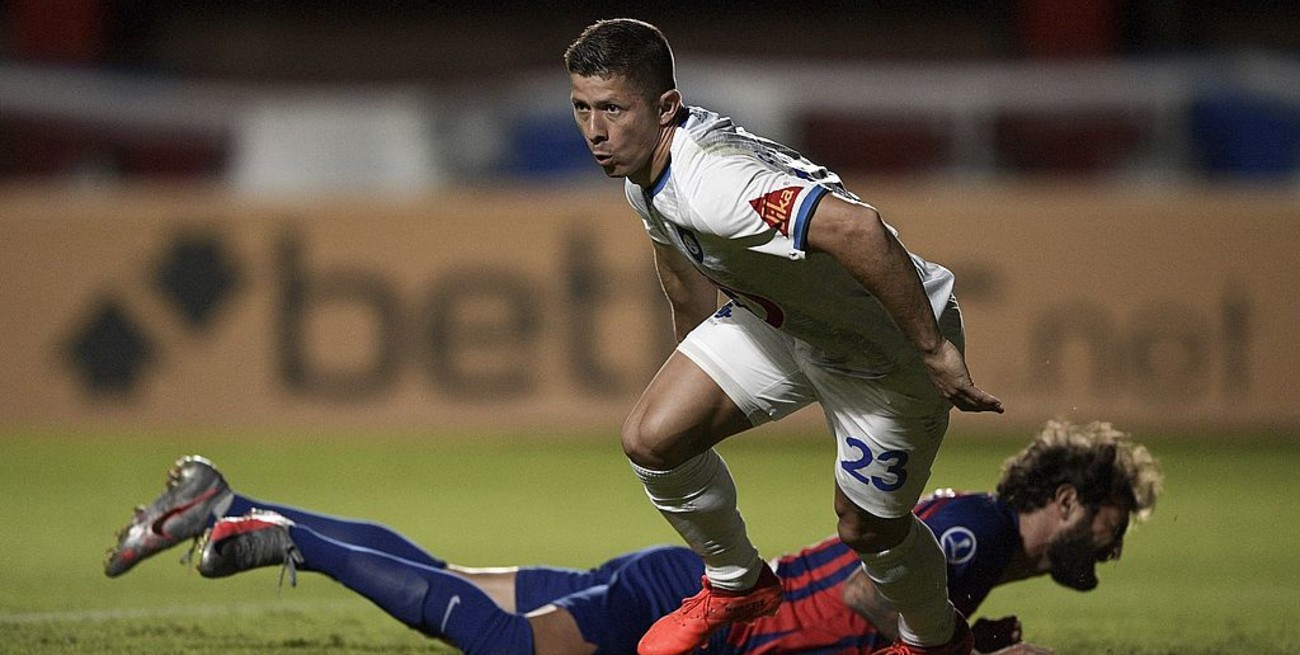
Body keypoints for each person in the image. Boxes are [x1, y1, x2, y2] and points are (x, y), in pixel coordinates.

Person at [563, 18, 1003, 655]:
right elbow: (678, 264)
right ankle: (738, 582)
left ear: (665, 107)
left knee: (868, 529)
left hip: (884, 346)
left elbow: (861, 230)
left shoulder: (714, 182)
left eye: (612, 109)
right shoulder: (645, 172)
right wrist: (690, 360)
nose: (595, 132)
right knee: (653, 437)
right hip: (784, 321)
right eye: (581, 108)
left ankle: (935, 641)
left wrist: (934, 350)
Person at [103, 420, 1162, 655]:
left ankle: (239, 496)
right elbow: (877, 609)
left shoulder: (970, 527)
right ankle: (267, 530)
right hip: (707, 620)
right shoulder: (976, 536)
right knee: (504, 646)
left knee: (445, 579)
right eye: (1110, 523)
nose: (1109, 547)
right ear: (1067, 496)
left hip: (703, 596)